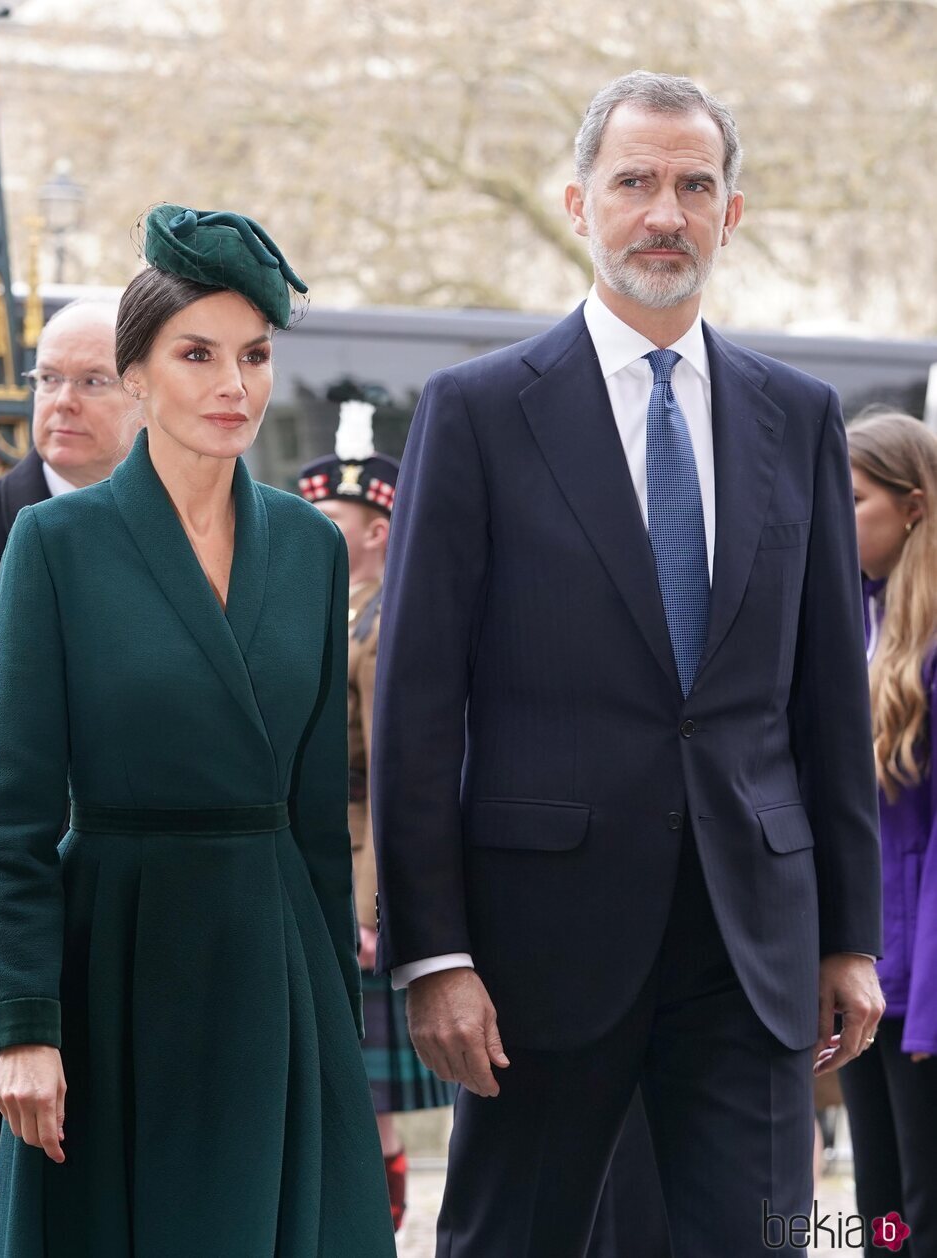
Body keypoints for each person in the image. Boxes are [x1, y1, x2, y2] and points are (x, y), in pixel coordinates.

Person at [371, 71, 885, 1258]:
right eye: (635, 182)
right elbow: (415, 703)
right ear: (577, 201)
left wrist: (844, 935)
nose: (664, 211)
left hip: (748, 944)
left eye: (693, 185)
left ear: (730, 213)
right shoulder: (478, 410)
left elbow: (824, 696)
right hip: (534, 954)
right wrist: (433, 952)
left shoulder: (794, 415)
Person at [0, 205, 396, 1257]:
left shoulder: (306, 548)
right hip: (113, 954)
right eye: (196, 354)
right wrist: (24, 1022)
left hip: (273, 960)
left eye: (252, 354)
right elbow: (13, 814)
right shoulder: (54, 543)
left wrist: (334, 1015)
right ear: (136, 376)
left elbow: (316, 828)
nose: (232, 384)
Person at [0, 300, 137, 1148]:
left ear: (144, 391)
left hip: (134, 913)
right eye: (48, 379)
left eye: (90, 381)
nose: (61, 401)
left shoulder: (189, 537)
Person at [298, 399, 455, 1234]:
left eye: (333, 518)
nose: (315, 529)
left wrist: (369, 905)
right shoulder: (348, 609)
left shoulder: (383, 620)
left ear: (379, 532)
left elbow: (386, 776)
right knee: (356, 1087)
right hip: (339, 855)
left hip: (362, 870)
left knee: (370, 1094)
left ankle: (379, 1225)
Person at [842, 412, 937, 1256]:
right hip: (868, 974)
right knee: (883, 1217)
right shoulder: (856, 624)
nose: (838, 515)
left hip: (924, 990)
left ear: (913, 506)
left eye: (857, 498)